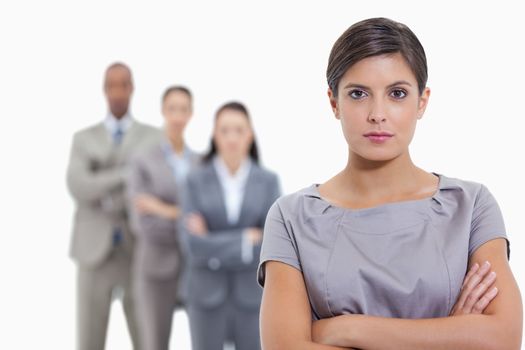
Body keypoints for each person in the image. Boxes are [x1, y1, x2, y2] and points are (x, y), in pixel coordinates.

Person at [258, 17, 522, 349]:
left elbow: (503, 338)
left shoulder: (470, 206)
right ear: (334, 102)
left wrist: (347, 328)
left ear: (421, 102)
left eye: (397, 93)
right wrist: (448, 335)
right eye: (358, 94)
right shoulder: (291, 218)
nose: (377, 114)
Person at [67, 62, 160, 350]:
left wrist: (101, 184)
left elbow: (152, 187)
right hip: (93, 253)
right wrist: (124, 175)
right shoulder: (83, 139)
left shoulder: (153, 138)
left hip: (137, 251)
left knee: (148, 339)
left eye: (124, 84)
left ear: (132, 88)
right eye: (112, 85)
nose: (118, 92)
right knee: (89, 341)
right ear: (104, 89)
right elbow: (78, 186)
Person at [180, 101, 281, 350]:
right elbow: (193, 245)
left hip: (252, 297)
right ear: (215, 135)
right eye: (225, 130)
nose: (232, 138)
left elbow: (271, 244)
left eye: (239, 130)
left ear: (250, 135)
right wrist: (246, 240)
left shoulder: (268, 181)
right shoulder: (194, 181)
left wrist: (213, 241)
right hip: (205, 296)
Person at [126, 86, 200, 350]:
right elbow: (142, 224)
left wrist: (163, 209)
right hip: (156, 268)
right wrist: (187, 218)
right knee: (154, 343)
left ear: (191, 114)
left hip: (196, 268)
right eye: (172, 109)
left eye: (183, 109)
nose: (178, 116)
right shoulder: (142, 161)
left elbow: (210, 220)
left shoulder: (201, 163)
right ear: (163, 111)